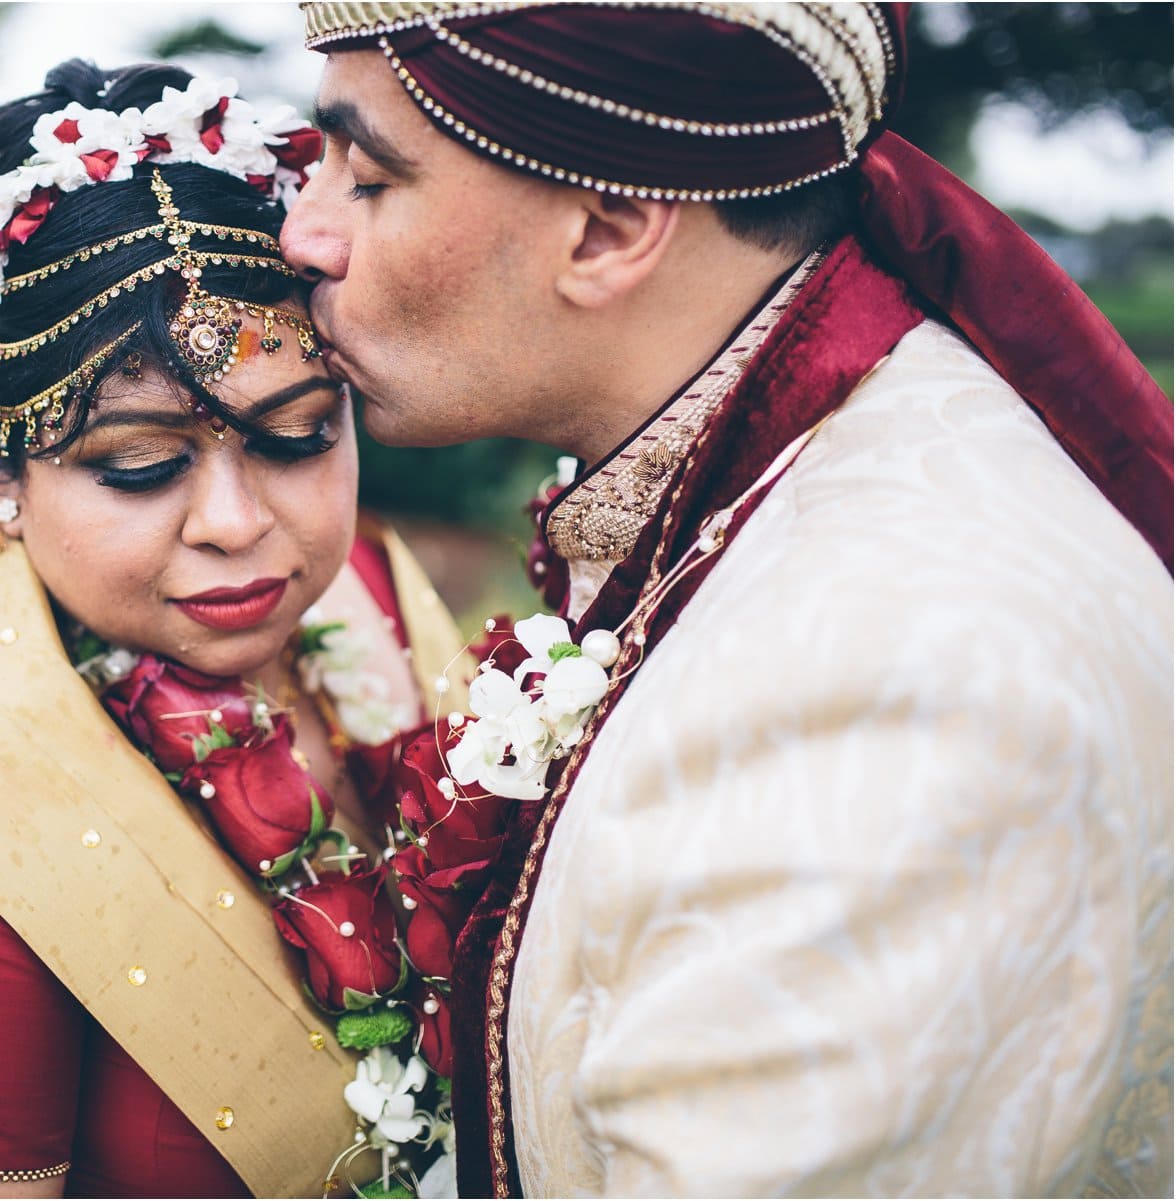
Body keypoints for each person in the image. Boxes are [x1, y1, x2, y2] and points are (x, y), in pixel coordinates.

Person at [283, 3, 1172, 1197]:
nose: (303, 232)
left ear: (606, 230)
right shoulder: (751, 471)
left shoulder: (898, 682)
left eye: (370, 176)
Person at [0, 60, 474, 1199]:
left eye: (299, 435)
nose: (235, 523)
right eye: (139, 464)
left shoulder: (368, 589)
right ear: (3, 468)